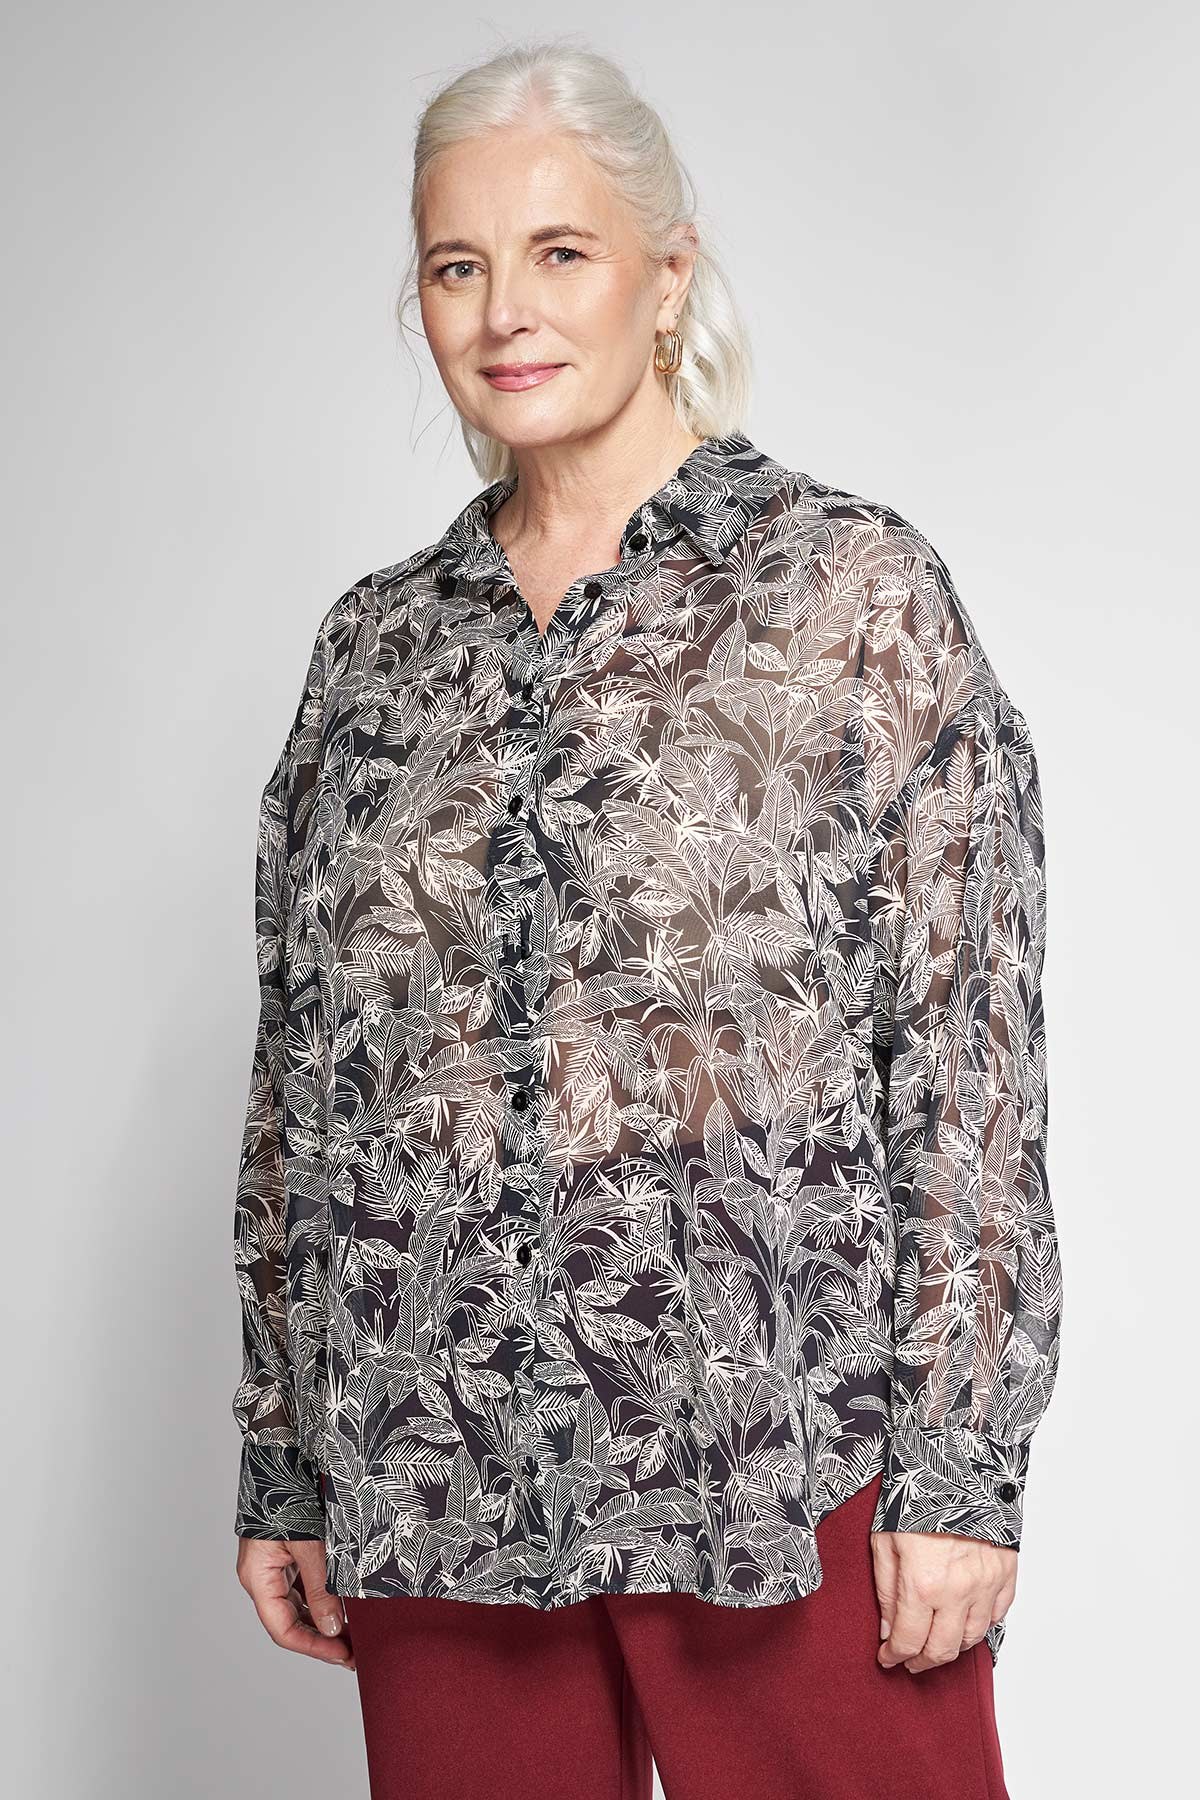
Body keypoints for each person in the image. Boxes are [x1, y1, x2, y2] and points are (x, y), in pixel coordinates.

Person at [230, 39, 1061, 1800]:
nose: (505, 312)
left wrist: (963, 1473)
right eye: (457, 266)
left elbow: (970, 1058)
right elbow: (301, 1081)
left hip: (775, 1449)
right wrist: (287, 1453)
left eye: (561, 252)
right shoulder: (374, 651)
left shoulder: (848, 595)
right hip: (437, 1457)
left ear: (666, 274)